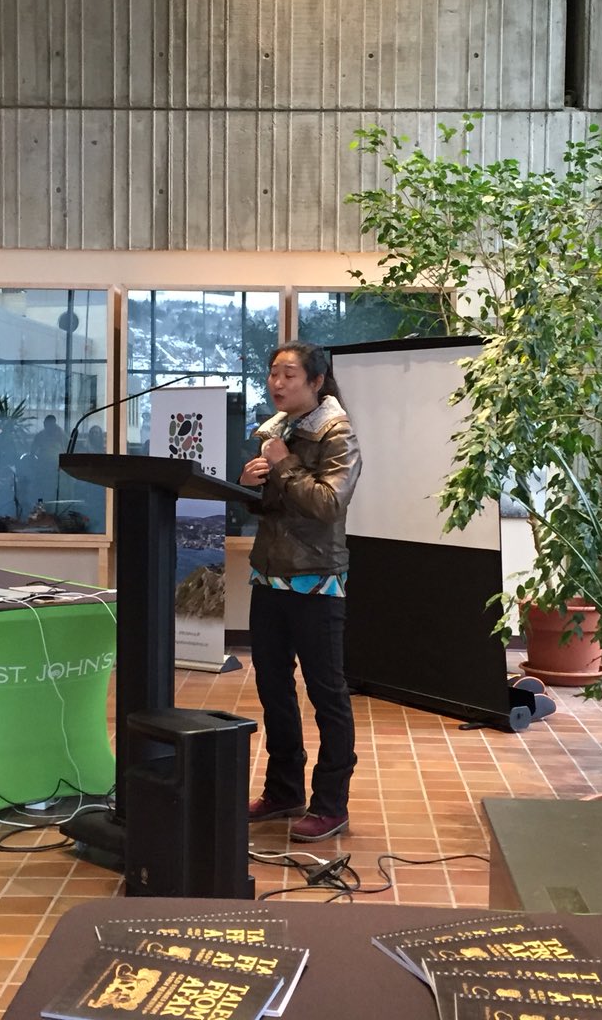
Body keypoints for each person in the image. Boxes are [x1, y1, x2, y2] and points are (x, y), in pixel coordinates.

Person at [240, 341, 362, 842]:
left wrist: (284, 463)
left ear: (316, 382)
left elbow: (329, 505)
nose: (277, 383)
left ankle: (331, 804)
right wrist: (249, 482)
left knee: (327, 695)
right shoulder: (274, 433)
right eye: (273, 373)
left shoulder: (338, 433)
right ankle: (284, 790)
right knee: (273, 690)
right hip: (268, 576)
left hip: (317, 579)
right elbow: (279, 507)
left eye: (289, 375)